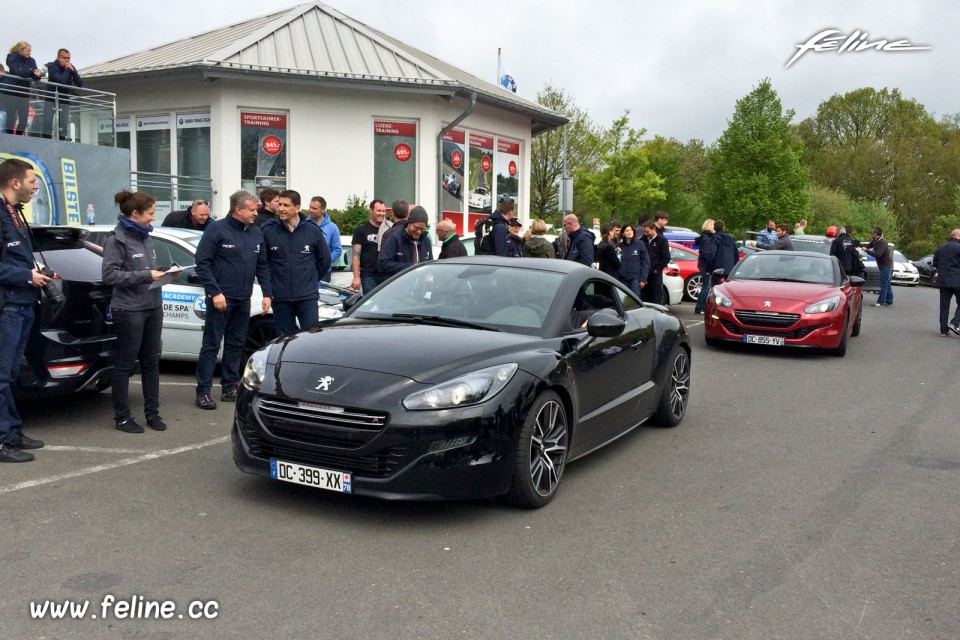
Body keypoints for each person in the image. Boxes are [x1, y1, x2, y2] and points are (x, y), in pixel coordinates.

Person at [194, 190, 273, 410]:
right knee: (211, 345)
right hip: (220, 299)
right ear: (238, 209)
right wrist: (214, 292)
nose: (256, 212)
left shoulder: (256, 232)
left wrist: (268, 293)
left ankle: (230, 386)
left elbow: (263, 265)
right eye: (252, 209)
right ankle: (203, 391)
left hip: (243, 298)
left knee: (236, 344)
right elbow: (202, 263)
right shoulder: (216, 230)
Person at [101, 190, 167, 434]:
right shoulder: (116, 240)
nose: (153, 218)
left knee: (151, 362)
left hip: (152, 306)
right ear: (135, 213)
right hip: (129, 310)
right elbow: (109, 275)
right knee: (125, 364)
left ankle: (153, 414)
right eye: (150, 213)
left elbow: (146, 270)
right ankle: (122, 417)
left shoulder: (146, 238)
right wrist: (146, 275)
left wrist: (165, 272)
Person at [0, 159, 51, 462]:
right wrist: (25, 276)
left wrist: (37, 271)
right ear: (15, 183)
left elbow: (19, 258)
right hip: (8, 307)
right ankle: (3, 439)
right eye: (32, 181)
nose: (36, 186)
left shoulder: (15, 214)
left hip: (25, 304)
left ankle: (13, 430)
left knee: (12, 374)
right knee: (2, 376)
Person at [262, 190, 330, 337]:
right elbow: (263, 264)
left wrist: (310, 279)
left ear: (297, 208)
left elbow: (324, 261)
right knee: (284, 341)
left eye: (286, 205)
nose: (281, 208)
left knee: (311, 339)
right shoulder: (269, 231)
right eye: (279, 204)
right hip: (281, 298)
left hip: (307, 297)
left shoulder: (312, 231)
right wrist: (270, 289)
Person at [378, 206, 433, 278]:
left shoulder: (426, 241)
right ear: (409, 223)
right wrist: (410, 267)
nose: (419, 232)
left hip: (420, 286)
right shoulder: (395, 239)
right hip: (400, 285)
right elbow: (383, 263)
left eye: (422, 229)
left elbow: (430, 263)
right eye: (416, 228)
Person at [42, 48, 83, 140]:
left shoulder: (69, 66)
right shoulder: (52, 66)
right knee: (48, 120)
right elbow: (61, 81)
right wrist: (68, 71)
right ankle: (46, 140)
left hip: (64, 98)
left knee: (64, 122)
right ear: (58, 57)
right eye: (64, 58)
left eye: (68, 58)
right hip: (51, 97)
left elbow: (80, 84)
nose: (67, 60)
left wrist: (74, 72)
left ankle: (62, 139)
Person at [351, 199, 390, 293]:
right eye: (379, 210)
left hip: (387, 276)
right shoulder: (361, 230)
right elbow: (356, 256)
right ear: (371, 210)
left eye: (384, 211)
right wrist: (356, 277)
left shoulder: (390, 230)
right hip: (368, 276)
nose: (382, 213)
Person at [4, 42, 41, 135]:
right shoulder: (12, 57)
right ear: (21, 50)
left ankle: (19, 137)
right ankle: (10, 137)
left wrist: (37, 74)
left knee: (24, 118)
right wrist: (32, 72)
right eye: (28, 51)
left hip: (24, 93)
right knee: (11, 117)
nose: (30, 53)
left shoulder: (31, 60)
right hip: (12, 92)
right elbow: (17, 71)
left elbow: (35, 75)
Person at [932, 229, 960, 336]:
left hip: (943, 281)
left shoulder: (941, 247)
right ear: (957, 236)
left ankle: (943, 330)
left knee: (944, 306)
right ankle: (955, 323)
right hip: (957, 280)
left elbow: (935, 263)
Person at [308, 196, 342, 283]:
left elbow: (337, 250)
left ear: (322, 210)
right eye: (310, 207)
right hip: (306, 271)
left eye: (314, 208)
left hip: (324, 273)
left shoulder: (332, 228)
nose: (311, 210)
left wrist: (325, 262)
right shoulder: (303, 225)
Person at [640, 220, 669, 303]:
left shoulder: (662, 240)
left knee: (656, 296)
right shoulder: (643, 240)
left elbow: (666, 257)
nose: (646, 234)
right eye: (644, 232)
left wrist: (657, 269)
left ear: (653, 229)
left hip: (655, 274)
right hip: (645, 274)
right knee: (644, 297)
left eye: (647, 232)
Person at [617, 224, 649, 297]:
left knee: (635, 300)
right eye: (627, 230)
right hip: (623, 278)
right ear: (623, 233)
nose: (629, 232)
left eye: (631, 230)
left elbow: (645, 262)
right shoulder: (619, 245)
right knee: (623, 299)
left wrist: (643, 279)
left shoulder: (640, 244)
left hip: (635, 279)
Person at [865, 226, 893, 307]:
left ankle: (881, 302)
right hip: (882, 265)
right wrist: (857, 244)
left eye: (872, 233)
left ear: (876, 234)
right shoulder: (875, 241)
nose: (871, 234)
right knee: (887, 282)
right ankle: (889, 299)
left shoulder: (883, 242)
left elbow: (878, 254)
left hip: (885, 265)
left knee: (883, 284)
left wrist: (867, 251)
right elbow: (867, 245)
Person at [694, 219, 716, 314]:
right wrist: (708, 268)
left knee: (705, 286)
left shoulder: (703, 238)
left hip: (703, 265)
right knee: (706, 287)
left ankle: (701, 306)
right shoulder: (707, 239)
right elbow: (707, 254)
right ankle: (700, 307)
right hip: (706, 266)